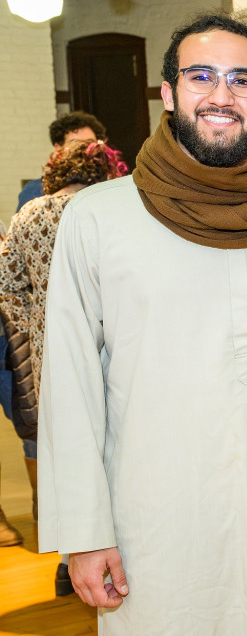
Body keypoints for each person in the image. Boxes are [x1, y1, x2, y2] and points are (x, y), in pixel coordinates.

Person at [36, 13, 247, 634]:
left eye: (242, 80)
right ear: (169, 93)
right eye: (201, 76)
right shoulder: (98, 219)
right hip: (154, 530)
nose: (221, 96)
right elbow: (68, 387)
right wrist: (84, 533)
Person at [0, 139, 127, 594]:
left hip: (49, 357)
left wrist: (36, 324)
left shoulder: (29, 215)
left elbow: (7, 286)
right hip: (110, 346)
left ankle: (67, 559)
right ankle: (118, 547)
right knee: (112, 447)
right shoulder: (108, 211)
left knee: (59, 453)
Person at [17, 111, 108, 211]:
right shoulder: (35, 191)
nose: (83, 149)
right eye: (75, 143)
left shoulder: (110, 186)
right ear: (58, 148)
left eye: (90, 143)